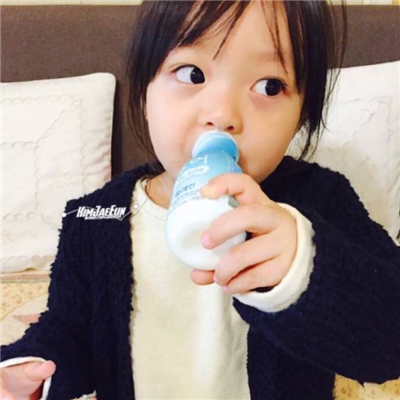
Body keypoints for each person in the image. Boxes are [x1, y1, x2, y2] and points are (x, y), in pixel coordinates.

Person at [1, 1, 399, 399]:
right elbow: (70, 330)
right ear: (144, 92)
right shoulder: (93, 216)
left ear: (301, 115)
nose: (222, 114)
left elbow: (388, 343)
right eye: (192, 74)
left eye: (269, 86)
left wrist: (302, 271)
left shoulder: (320, 201)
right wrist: (31, 367)